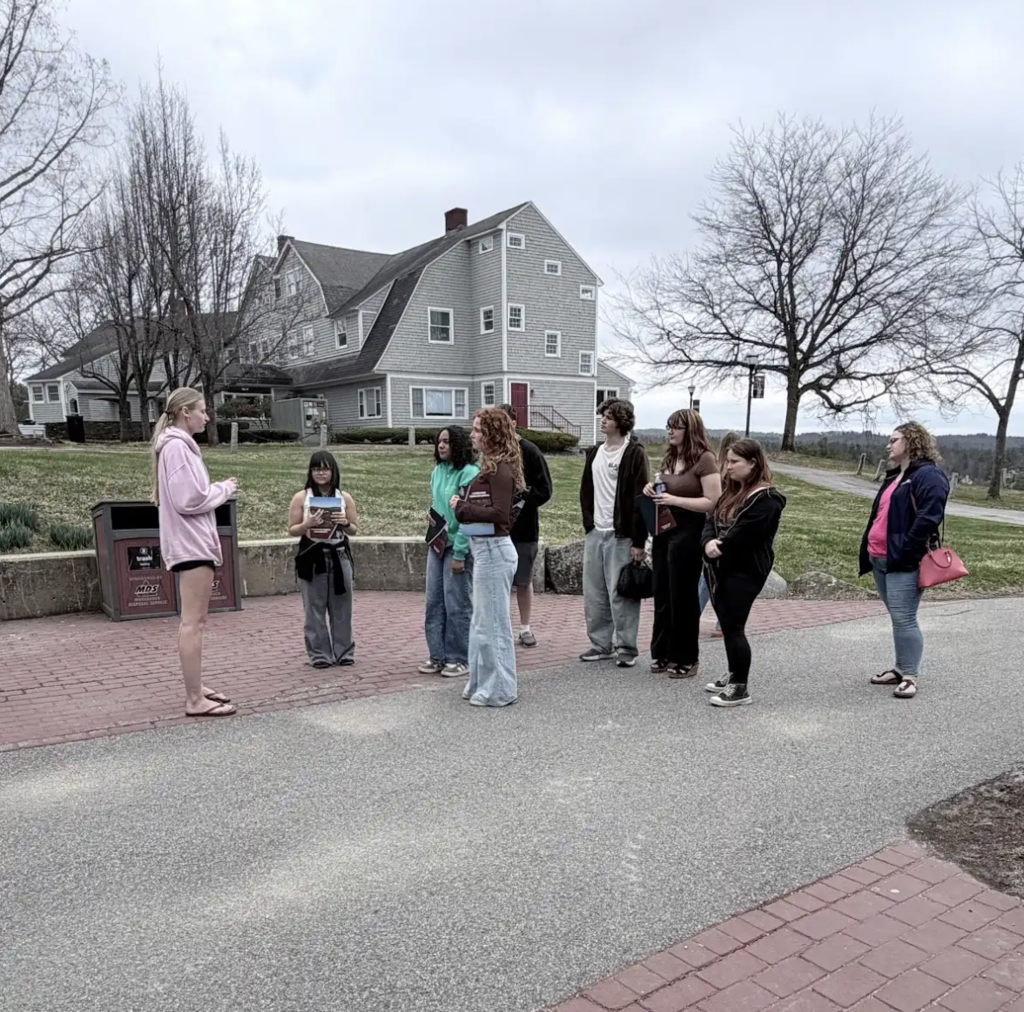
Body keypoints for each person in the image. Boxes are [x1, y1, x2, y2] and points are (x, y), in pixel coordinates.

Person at [152, 387, 238, 717]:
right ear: (185, 412)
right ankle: (193, 699)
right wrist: (224, 489)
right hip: (191, 545)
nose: (207, 416)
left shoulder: (177, 447)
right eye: (202, 410)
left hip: (190, 544)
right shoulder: (176, 448)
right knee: (193, 623)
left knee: (195, 622)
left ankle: (195, 686)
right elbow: (189, 499)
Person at [858, 422, 949, 700]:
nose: (889, 445)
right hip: (880, 558)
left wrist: (906, 548)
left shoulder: (928, 476)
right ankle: (899, 669)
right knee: (898, 617)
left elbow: (929, 517)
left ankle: (910, 675)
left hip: (903, 561)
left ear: (911, 442)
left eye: (894, 440)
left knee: (904, 618)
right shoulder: (895, 476)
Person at [701, 439, 786, 707]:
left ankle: (740, 688)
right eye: (727, 461)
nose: (728, 467)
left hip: (745, 570)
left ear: (753, 463)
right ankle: (733, 673)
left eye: (735, 462)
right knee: (727, 624)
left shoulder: (767, 500)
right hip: (719, 566)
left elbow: (743, 537)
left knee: (734, 627)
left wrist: (718, 547)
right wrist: (707, 542)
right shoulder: (731, 492)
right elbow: (710, 520)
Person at [452, 408, 524, 707]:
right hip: (483, 550)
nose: (472, 434)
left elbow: (501, 515)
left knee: (493, 623)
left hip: (495, 550)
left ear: (492, 434)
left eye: (478, 429)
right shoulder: (489, 468)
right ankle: (482, 682)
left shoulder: (501, 470)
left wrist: (462, 508)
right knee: (482, 622)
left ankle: (501, 688)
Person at [643, 409, 721, 678]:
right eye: (668, 427)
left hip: (689, 531)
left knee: (682, 596)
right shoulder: (670, 457)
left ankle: (686, 657)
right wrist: (650, 488)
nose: (670, 432)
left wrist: (675, 501)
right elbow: (664, 487)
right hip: (664, 530)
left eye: (676, 427)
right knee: (662, 592)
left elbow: (712, 501)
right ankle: (662, 652)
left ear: (691, 430)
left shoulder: (705, 459)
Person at [579, 397, 650, 668]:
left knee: (621, 593)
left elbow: (640, 498)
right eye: (602, 415)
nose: (603, 419)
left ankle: (626, 647)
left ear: (622, 421)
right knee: (594, 592)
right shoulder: (595, 452)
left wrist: (638, 540)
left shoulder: (634, 453)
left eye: (608, 416)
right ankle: (600, 644)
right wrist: (589, 525)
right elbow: (586, 491)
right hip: (595, 531)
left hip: (622, 534)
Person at [287, 451, 359, 668]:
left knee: (342, 606)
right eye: (316, 468)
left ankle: (344, 651)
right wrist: (306, 524)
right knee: (314, 607)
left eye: (325, 468)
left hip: (338, 555)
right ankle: (319, 654)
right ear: (310, 471)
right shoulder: (301, 497)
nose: (321, 473)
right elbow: (292, 529)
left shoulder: (344, 497)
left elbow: (354, 529)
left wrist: (345, 522)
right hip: (312, 556)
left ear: (333, 471)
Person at [419, 426, 479, 677]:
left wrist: (460, 554)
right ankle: (437, 656)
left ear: (459, 444)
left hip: (458, 546)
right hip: (437, 544)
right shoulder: (437, 471)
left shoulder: (470, 473)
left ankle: (460, 657)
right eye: (439, 442)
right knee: (434, 601)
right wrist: (432, 518)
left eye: (447, 442)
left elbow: (469, 517)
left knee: (457, 603)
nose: (441, 446)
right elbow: (437, 503)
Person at [499, 403, 553, 647]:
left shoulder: (529, 451)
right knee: (497, 583)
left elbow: (545, 490)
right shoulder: (491, 452)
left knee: (522, 580)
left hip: (523, 529)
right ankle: (499, 629)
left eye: (503, 422)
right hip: (496, 529)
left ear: (513, 422)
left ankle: (525, 628)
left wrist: (522, 497)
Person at [698, 430, 739, 636]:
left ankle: (693, 614)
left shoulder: (717, 469)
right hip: (725, 529)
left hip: (711, 526)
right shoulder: (733, 475)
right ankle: (722, 622)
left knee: (706, 577)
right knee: (715, 579)